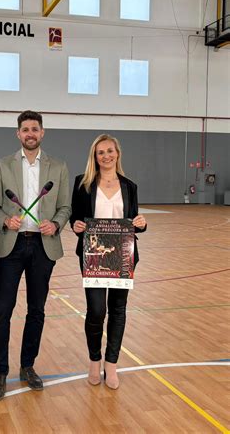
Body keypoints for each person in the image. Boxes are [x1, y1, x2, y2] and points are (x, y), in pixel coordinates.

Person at [0, 110, 71, 401]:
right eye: (25, 129)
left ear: (42, 132)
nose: (30, 134)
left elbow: (65, 207)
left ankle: (27, 366)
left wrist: (56, 223)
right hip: (11, 245)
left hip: (43, 246)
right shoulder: (2, 164)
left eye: (35, 129)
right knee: (3, 309)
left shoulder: (58, 167)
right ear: (18, 134)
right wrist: (3, 220)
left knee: (36, 310)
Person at [70, 134, 147, 389]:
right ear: (95, 156)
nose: (106, 156)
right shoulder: (82, 183)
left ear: (117, 153)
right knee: (96, 310)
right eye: (101, 152)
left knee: (118, 310)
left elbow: (134, 221)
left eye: (110, 151)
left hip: (123, 256)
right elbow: (75, 219)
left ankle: (111, 364)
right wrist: (76, 225)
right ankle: (94, 359)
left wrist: (142, 223)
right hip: (93, 255)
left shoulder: (129, 186)